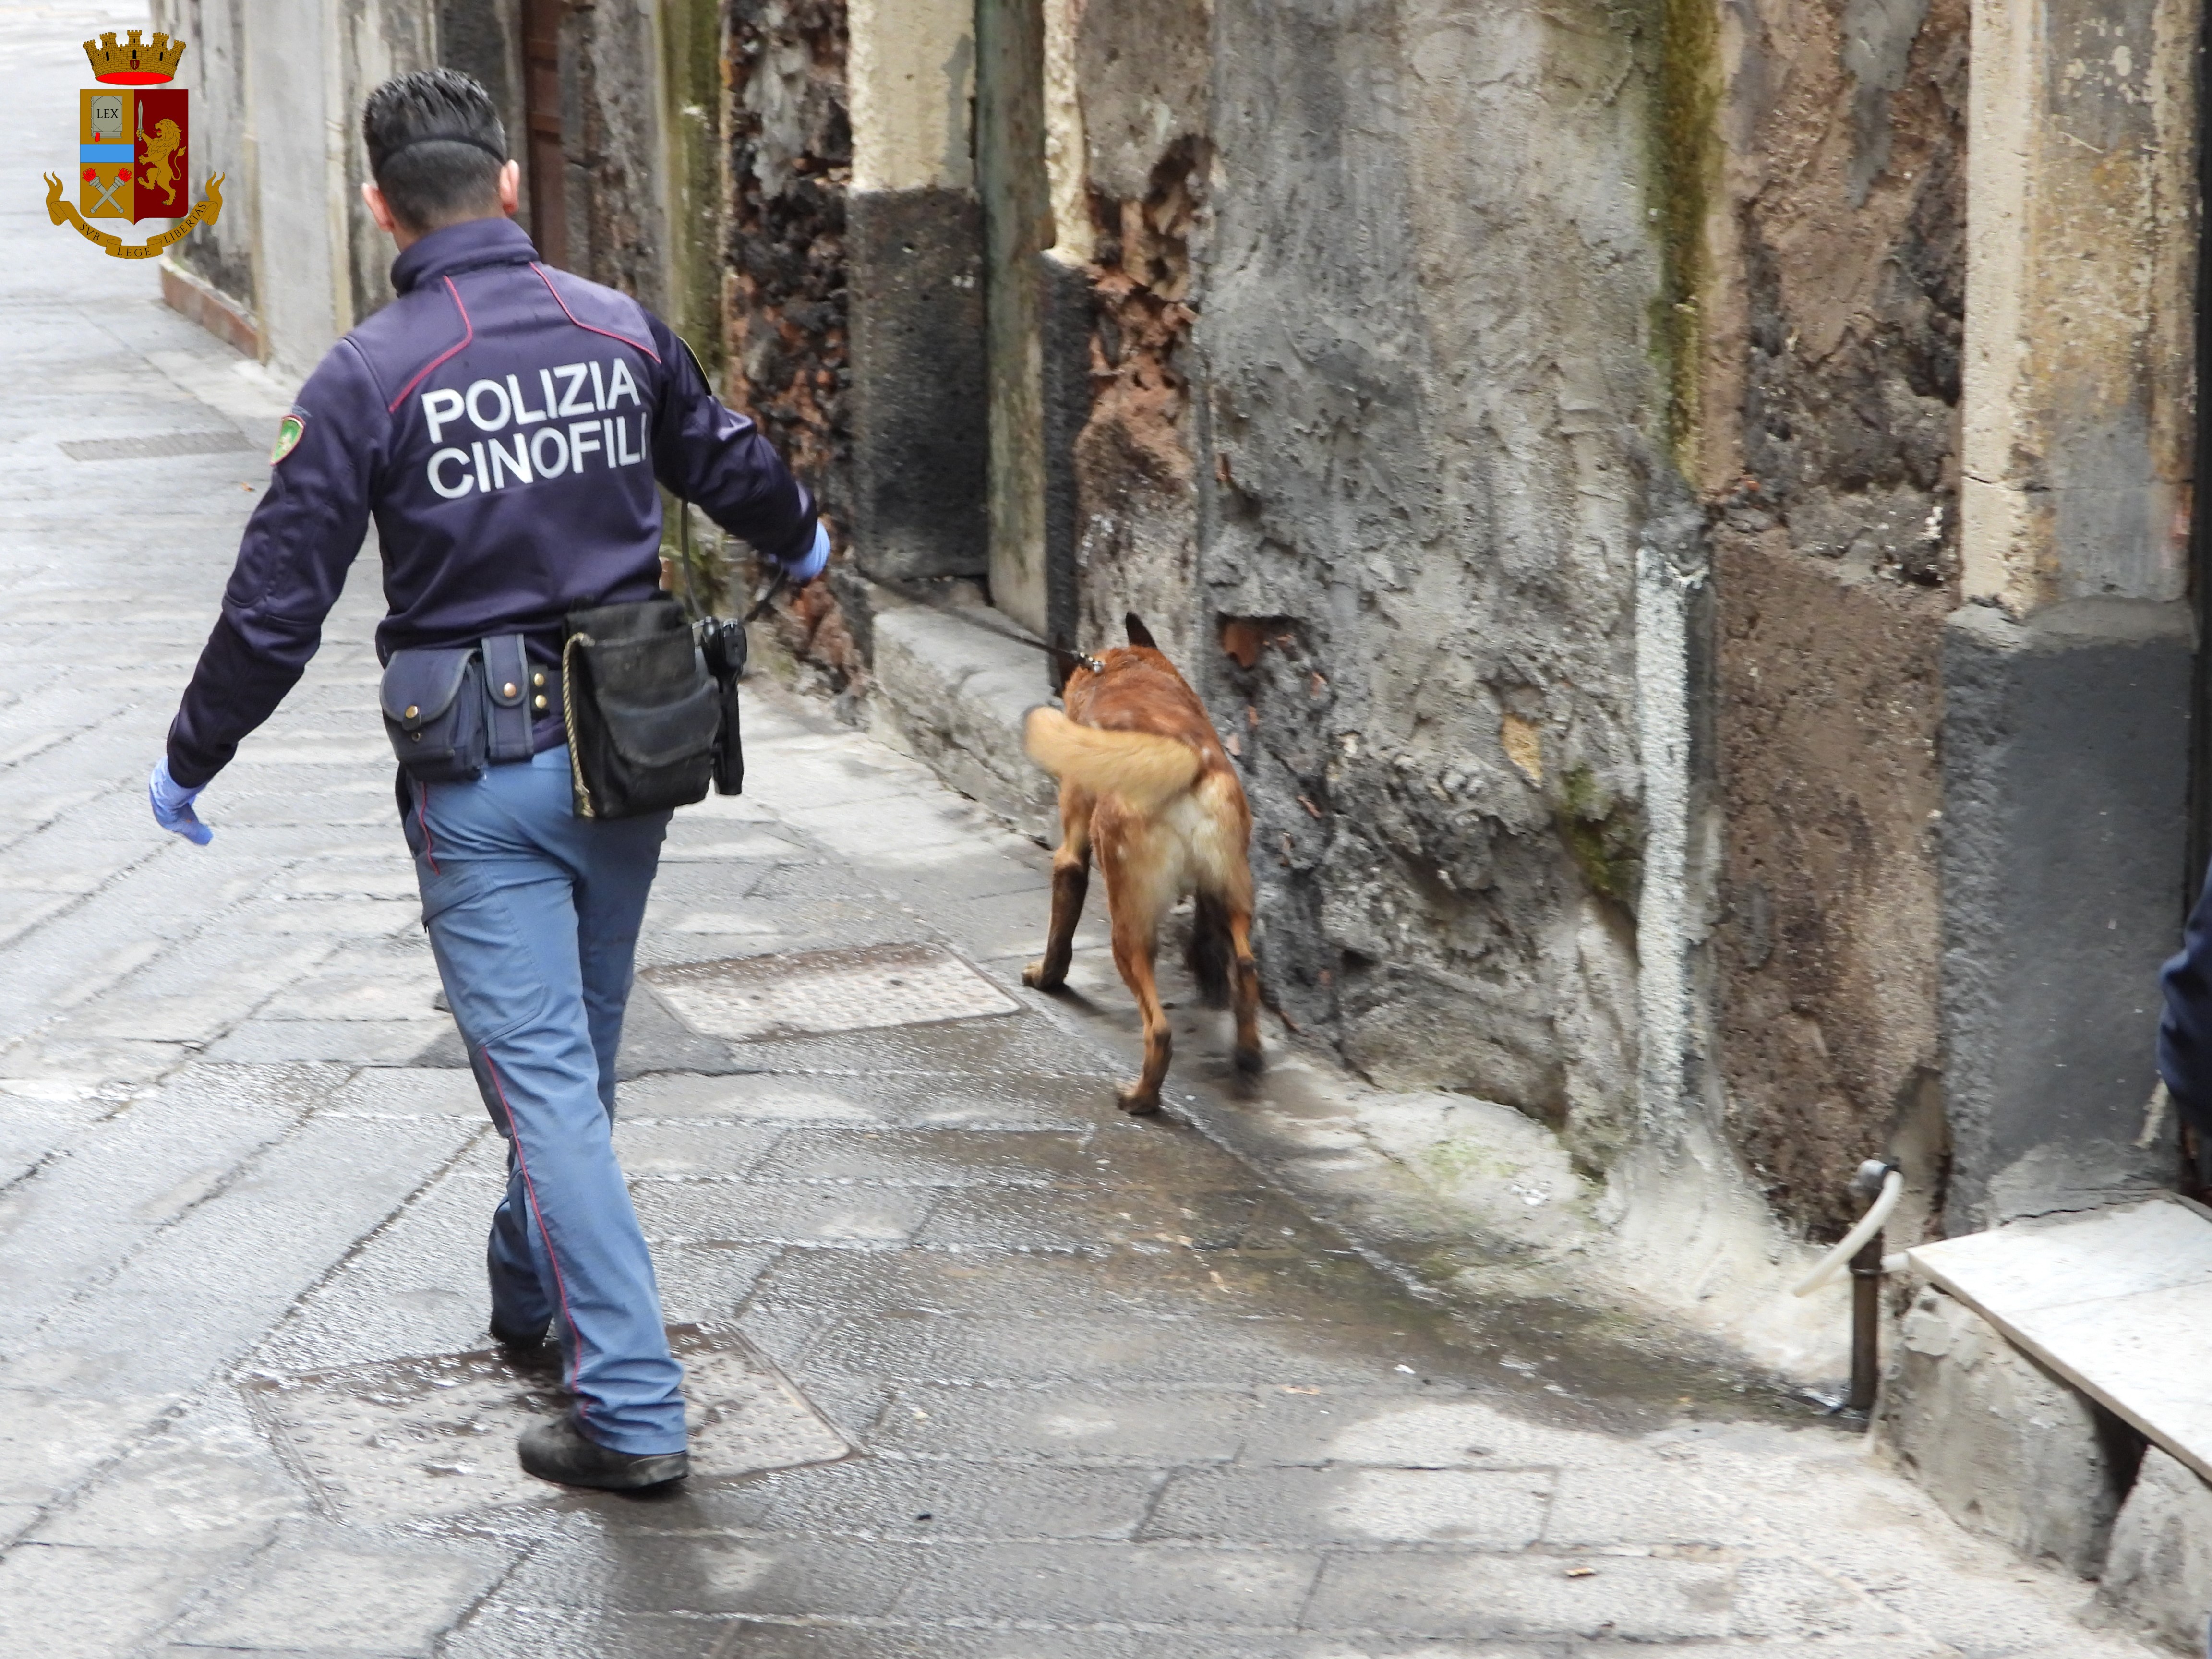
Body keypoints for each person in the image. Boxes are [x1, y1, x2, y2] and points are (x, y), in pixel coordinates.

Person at [147, 68, 828, 1490]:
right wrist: (806, 540)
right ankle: (535, 1295)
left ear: (380, 207)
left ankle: (633, 1411)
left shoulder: (367, 375)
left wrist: (190, 755)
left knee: (550, 1091)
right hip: (631, 751)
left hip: (482, 780)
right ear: (509, 188)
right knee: (569, 1060)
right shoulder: (616, 328)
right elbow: (725, 460)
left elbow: (278, 606)